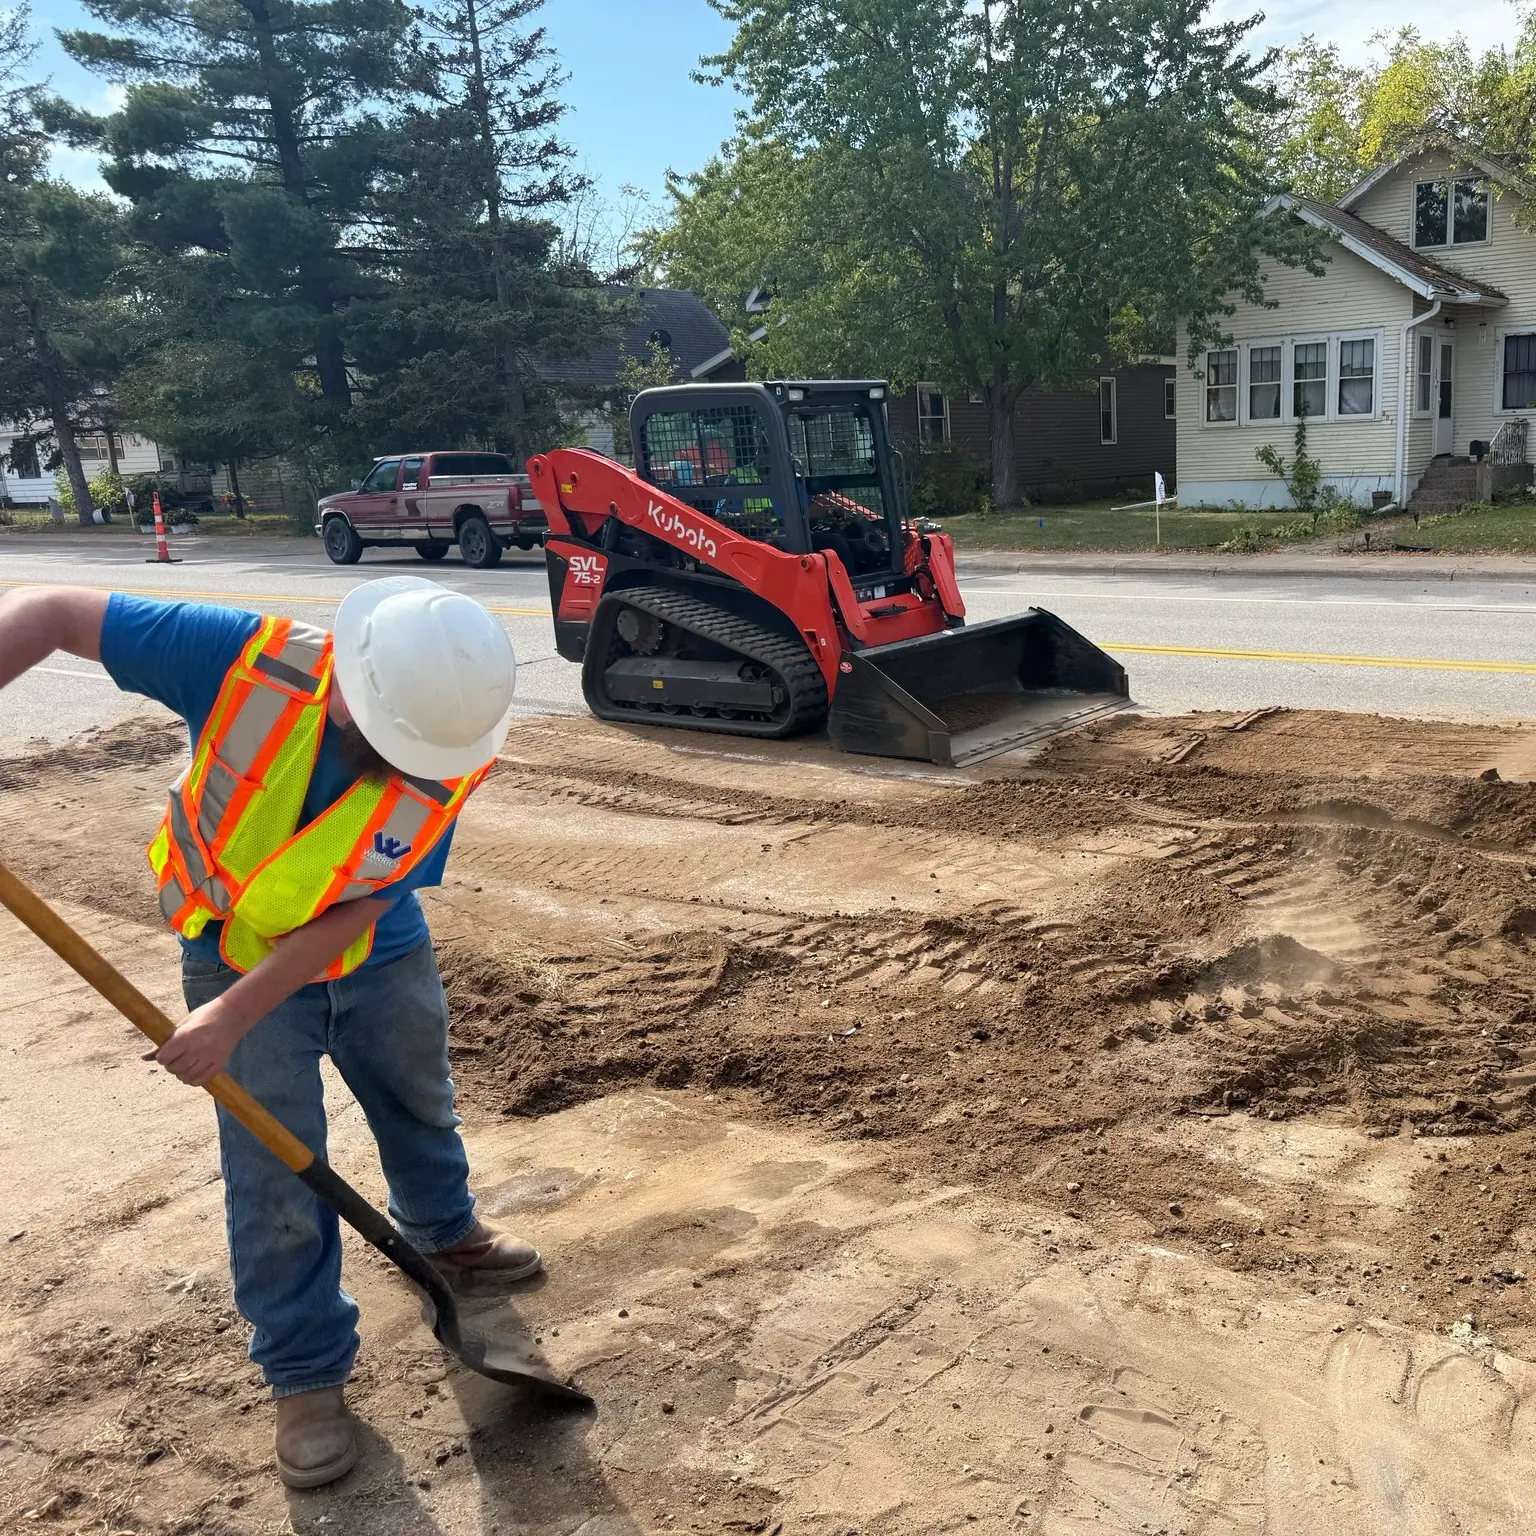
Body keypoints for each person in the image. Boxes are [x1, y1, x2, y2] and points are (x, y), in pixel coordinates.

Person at [0, 575, 538, 1490]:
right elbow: (49, 613)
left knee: (418, 1101)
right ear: (350, 683)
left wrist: (230, 1017)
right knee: (272, 1173)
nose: (404, 761)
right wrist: (232, 1001)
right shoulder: (241, 659)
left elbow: (358, 909)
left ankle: (446, 1236)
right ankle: (305, 1374)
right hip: (228, 947)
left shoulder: (454, 739)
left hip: (378, 947)